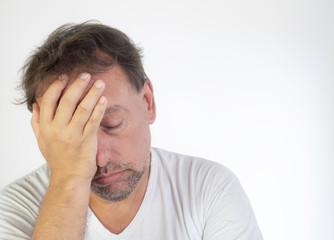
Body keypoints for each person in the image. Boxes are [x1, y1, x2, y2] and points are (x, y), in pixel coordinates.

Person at [0, 21, 263, 240]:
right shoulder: (13, 209)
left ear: (148, 102)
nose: (99, 159)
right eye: (76, 134)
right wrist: (70, 179)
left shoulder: (210, 189)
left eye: (113, 124)